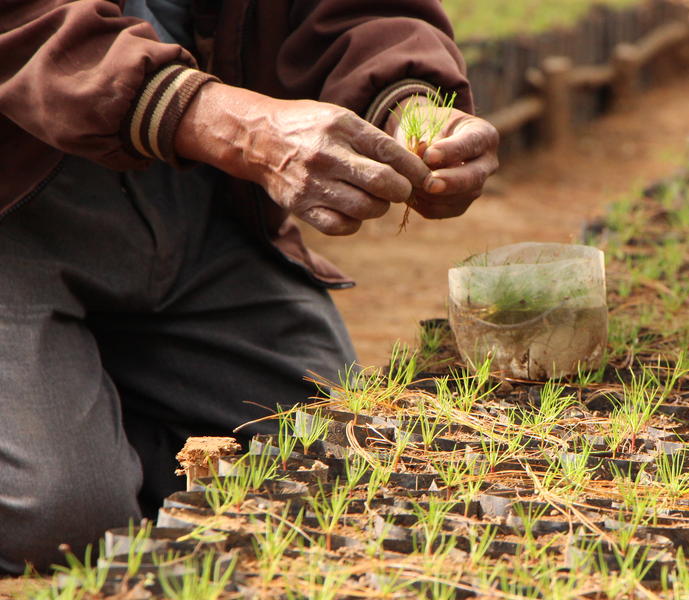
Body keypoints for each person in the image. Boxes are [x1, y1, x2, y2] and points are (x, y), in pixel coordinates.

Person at [0, 0, 498, 573]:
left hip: (196, 204)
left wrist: (408, 99)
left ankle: (92, 410)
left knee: (333, 454)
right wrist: (241, 127)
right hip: (16, 211)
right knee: (66, 526)